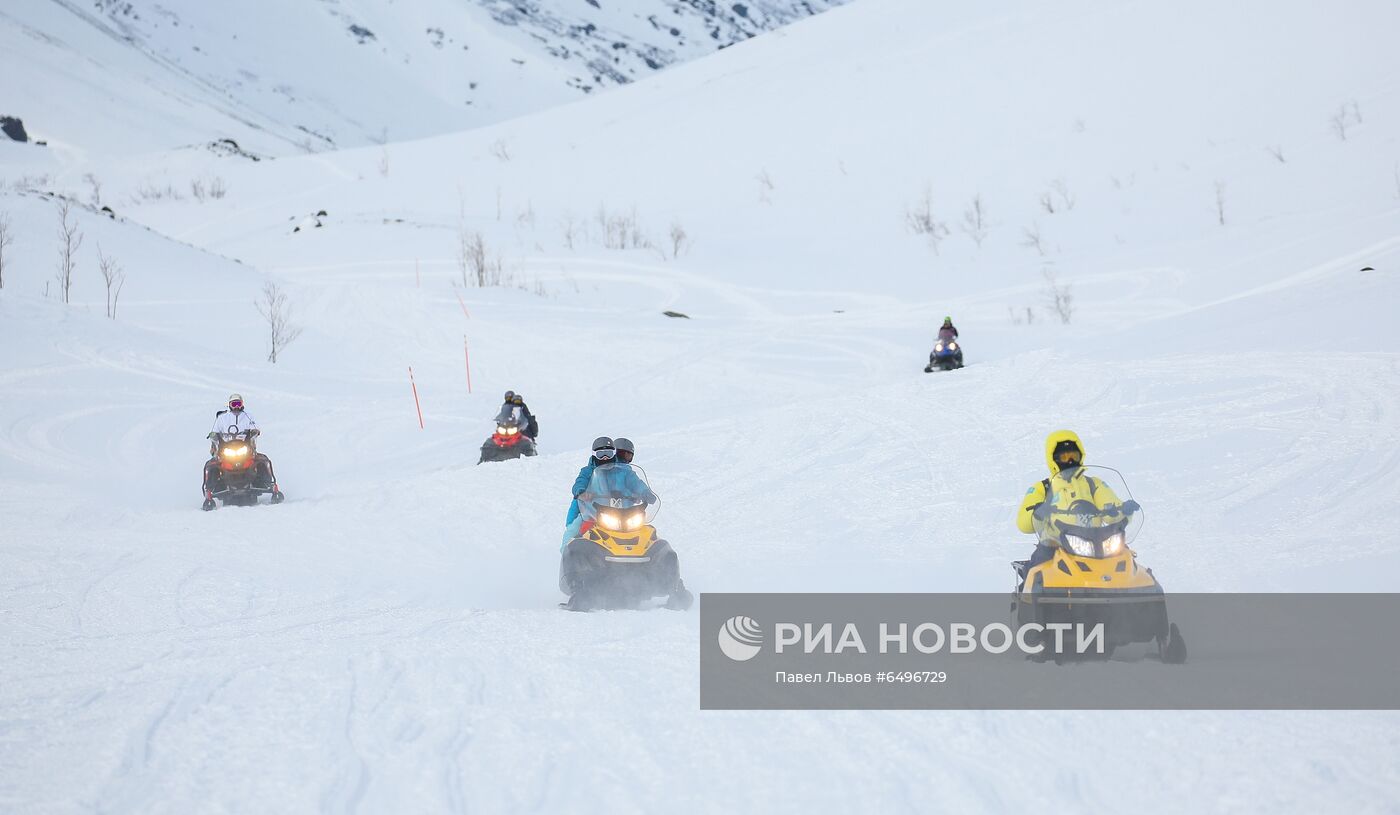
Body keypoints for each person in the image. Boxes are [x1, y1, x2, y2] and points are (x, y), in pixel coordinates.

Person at [1014, 430, 1123, 577]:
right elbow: (1023, 523)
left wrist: (1121, 511)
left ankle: (1142, 592)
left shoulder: (1093, 484)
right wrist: (1038, 512)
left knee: (1125, 559)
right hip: (1056, 542)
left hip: (1098, 540)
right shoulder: (1043, 488)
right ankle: (1028, 594)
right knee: (1037, 572)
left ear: (1081, 456)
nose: (1070, 461)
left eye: (1074, 456)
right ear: (1053, 459)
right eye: (1064, 457)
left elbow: (1113, 508)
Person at [203, 393, 281, 507]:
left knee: (262, 460)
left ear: (242, 404)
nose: (236, 407)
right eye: (233, 404)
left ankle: (269, 484)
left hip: (244, 446)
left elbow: (254, 427)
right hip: (226, 447)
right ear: (229, 405)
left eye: (238, 404)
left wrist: (255, 431)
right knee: (212, 465)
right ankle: (210, 490)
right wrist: (213, 435)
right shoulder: (222, 418)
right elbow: (215, 430)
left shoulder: (248, 416)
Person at [561, 437, 616, 546]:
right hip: (590, 510)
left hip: (614, 511)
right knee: (574, 527)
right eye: (601, 454)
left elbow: (630, 483)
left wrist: (641, 493)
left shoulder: (617, 471)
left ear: (614, 454)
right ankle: (567, 550)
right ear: (594, 455)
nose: (605, 458)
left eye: (608, 453)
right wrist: (581, 492)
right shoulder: (587, 471)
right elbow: (579, 482)